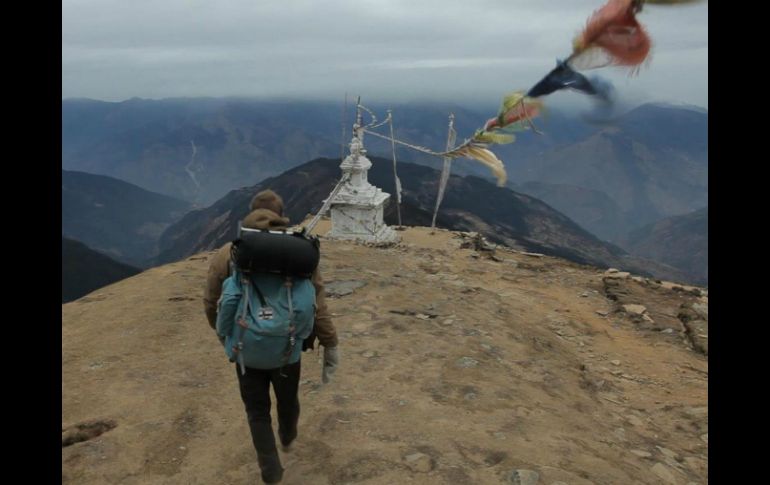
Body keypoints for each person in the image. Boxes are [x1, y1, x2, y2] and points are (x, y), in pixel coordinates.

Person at [203, 189, 339, 484]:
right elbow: (318, 304)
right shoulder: (299, 253)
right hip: (288, 349)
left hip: (246, 348)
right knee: (288, 400)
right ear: (280, 215)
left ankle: (270, 469)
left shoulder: (230, 252)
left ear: (251, 213)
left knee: (257, 410)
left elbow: (213, 302)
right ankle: (288, 435)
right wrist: (330, 342)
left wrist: (225, 336)